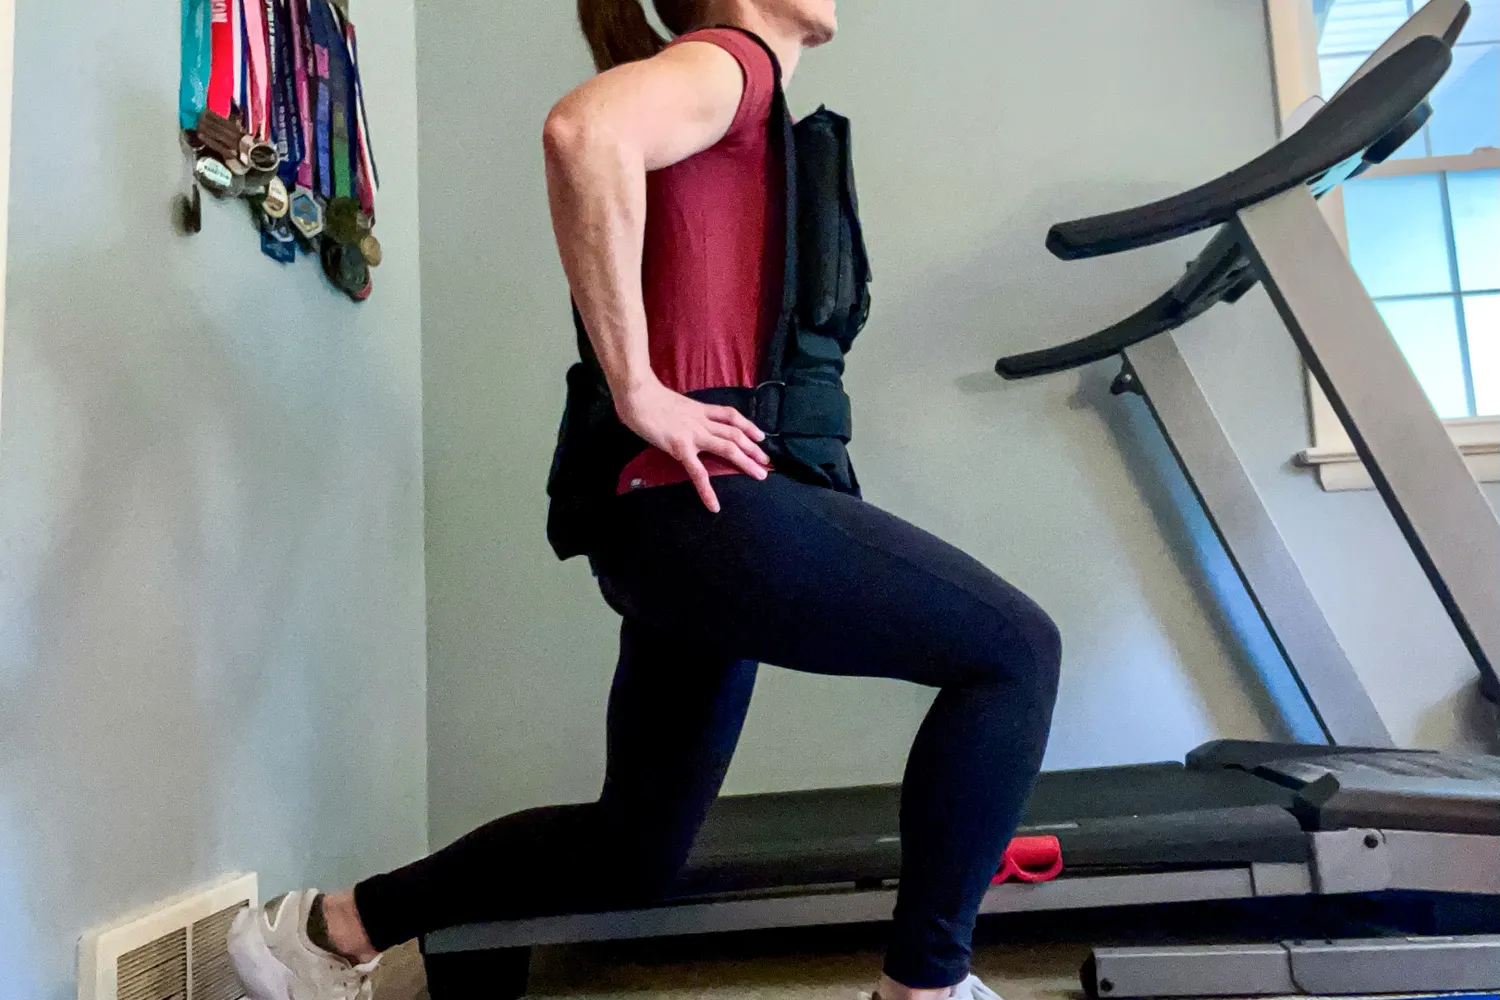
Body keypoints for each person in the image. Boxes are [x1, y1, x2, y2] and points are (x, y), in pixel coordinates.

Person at [227, 1, 1063, 998]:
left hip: (677, 527)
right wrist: (639, 387)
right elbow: (583, 132)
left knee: (633, 848)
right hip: (704, 515)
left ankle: (329, 931)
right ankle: (925, 985)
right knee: (1015, 652)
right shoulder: (733, 61)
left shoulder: (742, 97)